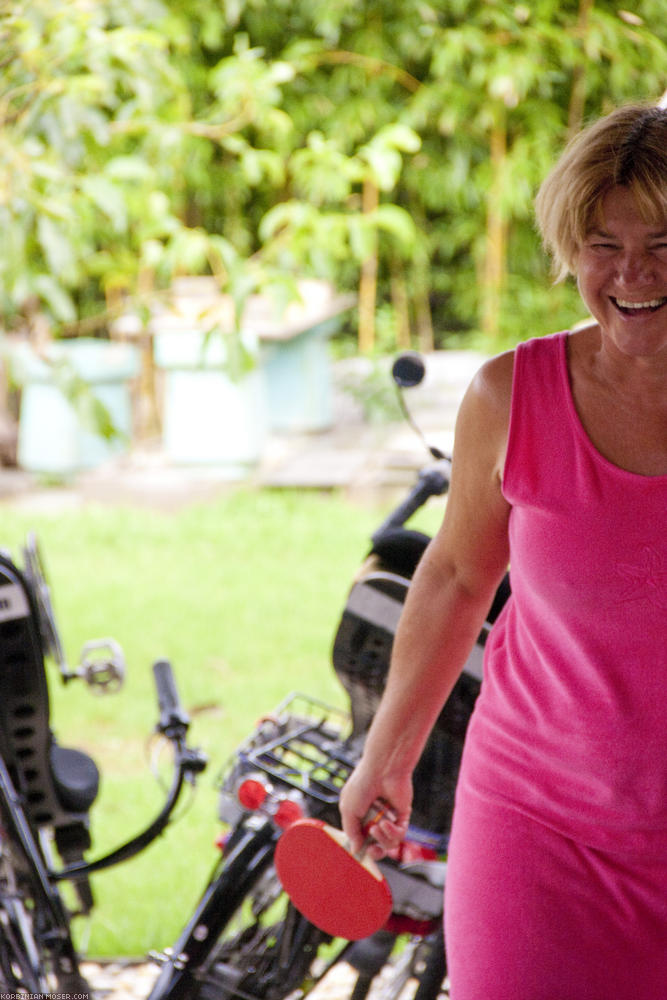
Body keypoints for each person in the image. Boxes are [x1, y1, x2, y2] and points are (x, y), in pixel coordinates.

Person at [339, 102, 667, 999]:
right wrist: (387, 752)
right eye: (603, 243)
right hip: (540, 826)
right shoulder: (510, 397)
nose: (633, 271)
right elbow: (452, 578)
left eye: (663, 242)